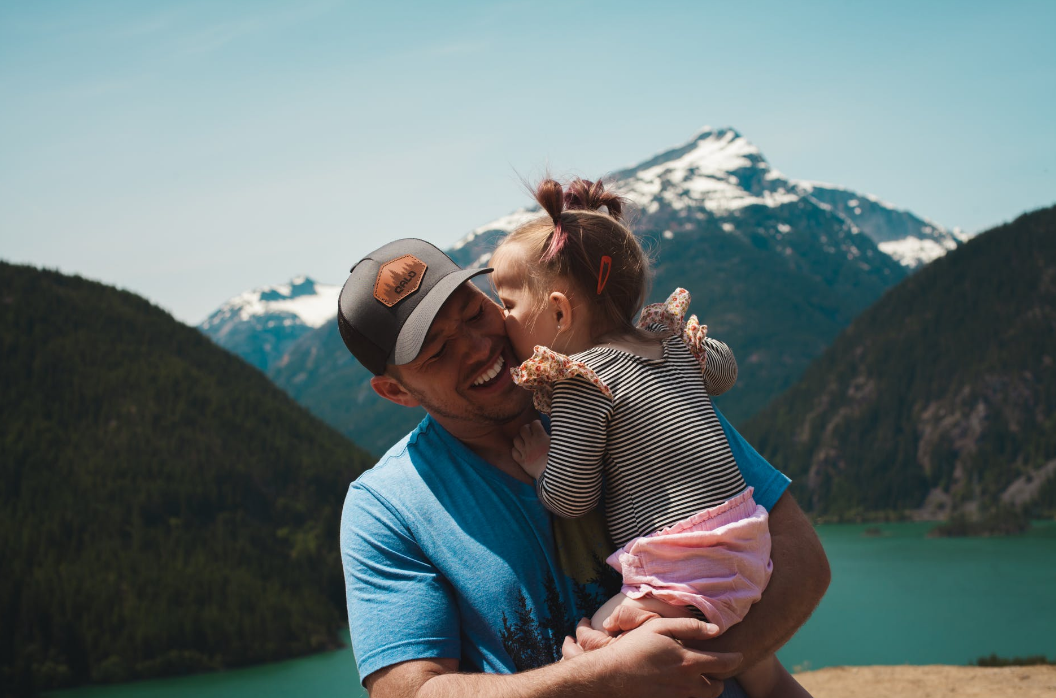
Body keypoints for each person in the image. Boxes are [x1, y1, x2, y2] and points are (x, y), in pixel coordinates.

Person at [337, 236, 830, 698]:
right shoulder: (385, 508)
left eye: (474, 312)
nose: (477, 346)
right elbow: (413, 691)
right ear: (395, 391)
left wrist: (692, 664)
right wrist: (607, 679)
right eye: (438, 351)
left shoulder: (625, 377)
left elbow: (802, 559)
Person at [488, 177, 809, 698]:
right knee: (764, 675)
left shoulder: (581, 380)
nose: (501, 321)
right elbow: (723, 375)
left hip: (680, 565)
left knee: (595, 645)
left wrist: (541, 465)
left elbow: (573, 499)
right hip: (747, 539)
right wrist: (698, 354)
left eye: (507, 304)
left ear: (560, 311)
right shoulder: (667, 342)